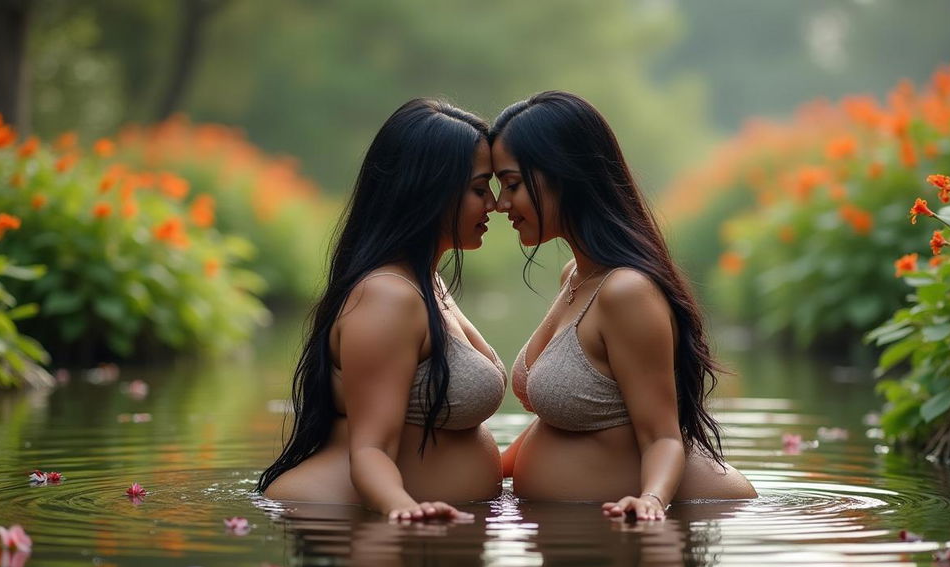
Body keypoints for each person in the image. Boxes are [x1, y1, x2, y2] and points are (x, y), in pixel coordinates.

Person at [491, 91, 756, 520]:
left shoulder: (626, 292)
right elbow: (567, 418)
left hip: (669, 519)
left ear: (564, 174)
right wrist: (477, 473)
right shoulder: (575, 280)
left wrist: (651, 501)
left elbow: (663, 436)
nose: (502, 203)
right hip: (577, 544)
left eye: (513, 184)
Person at [257, 99, 506, 521]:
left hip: (422, 532)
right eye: (480, 188)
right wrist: (404, 511)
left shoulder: (426, 283)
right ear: (432, 190)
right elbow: (370, 449)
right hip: (345, 522)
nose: (495, 204)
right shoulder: (387, 297)